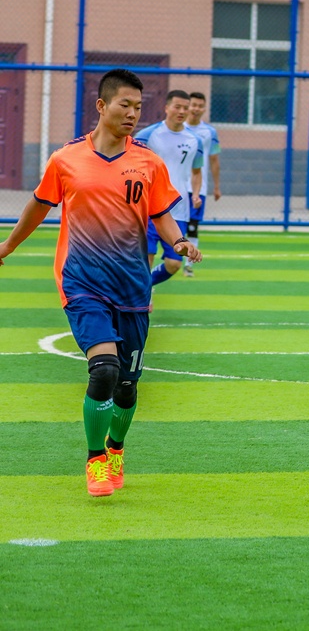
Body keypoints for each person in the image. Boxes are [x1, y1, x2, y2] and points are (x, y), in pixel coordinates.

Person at [0, 69, 201, 497]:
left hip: (132, 287)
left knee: (127, 387)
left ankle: (116, 448)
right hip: (82, 282)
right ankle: (95, 460)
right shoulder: (66, 159)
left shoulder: (148, 162)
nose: (133, 114)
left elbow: (161, 214)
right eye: (125, 105)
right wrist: (8, 246)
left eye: (138, 107)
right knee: (105, 370)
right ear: (101, 105)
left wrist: (180, 241)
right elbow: (38, 206)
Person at [135, 90, 203, 288]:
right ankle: (144, 296)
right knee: (146, 260)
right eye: (177, 107)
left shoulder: (195, 140)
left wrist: (196, 193)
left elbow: (196, 172)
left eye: (185, 108)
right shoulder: (147, 135)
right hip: (149, 208)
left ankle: (146, 287)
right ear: (166, 108)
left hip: (178, 210)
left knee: (174, 264)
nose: (182, 111)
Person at [181, 91, 222, 277]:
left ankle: (188, 264)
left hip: (199, 187)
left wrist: (216, 186)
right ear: (187, 106)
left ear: (204, 109)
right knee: (173, 225)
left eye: (200, 106)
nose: (196, 109)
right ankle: (169, 261)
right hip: (177, 186)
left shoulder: (209, 132)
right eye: (193, 105)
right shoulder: (178, 128)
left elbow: (214, 160)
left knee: (192, 225)